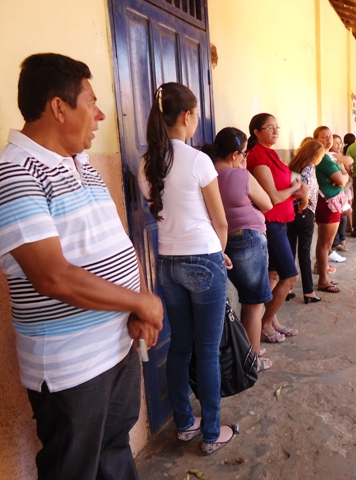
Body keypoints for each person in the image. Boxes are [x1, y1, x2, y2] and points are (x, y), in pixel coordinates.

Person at [0, 53, 164, 479]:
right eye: (90, 102)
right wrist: (141, 302)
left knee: (114, 455)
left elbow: (107, 250)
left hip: (114, 348)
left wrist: (133, 307)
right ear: (59, 107)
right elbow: (51, 275)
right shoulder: (10, 171)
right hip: (70, 368)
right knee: (72, 470)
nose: (99, 114)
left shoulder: (83, 165)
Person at [139, 82, 237, 454]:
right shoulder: (199, 160)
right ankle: (212, 432)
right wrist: (219, 252)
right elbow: (220, 221)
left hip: (169, 264)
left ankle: (184, 424)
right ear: (186, 116)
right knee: (207, 349)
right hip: (204, 259)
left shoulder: (146, 163)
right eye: (196, 115)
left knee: (181, 346)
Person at [211, 127, 274, 371]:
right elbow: (267, 204)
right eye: (245, 153)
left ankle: (250, 348)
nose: (245, 158)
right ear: (235, 155)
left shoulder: (206, 174)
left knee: (242, 301)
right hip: (248, 239)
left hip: (221, 244)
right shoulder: (241, 176)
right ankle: (252, 362)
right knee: (254, 303)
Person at [246, 113, 307, 342]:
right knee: (290, 276)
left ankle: (272, 320)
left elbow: (288, 182)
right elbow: (271, 196)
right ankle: (263, 324)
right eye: (269, 128)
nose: (275, 131)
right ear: (256, 132)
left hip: (282, 221)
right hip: (270, 223)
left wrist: (297, 189)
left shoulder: (271, 154)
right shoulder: (258, 157)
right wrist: (294, 190)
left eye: (276, 127)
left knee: (275, 274)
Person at [287, 139, 325, 304]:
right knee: (304, 253)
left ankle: (287, 288)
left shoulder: (294, 166)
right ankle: (308, 291)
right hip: (305, 212)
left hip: (291, 212)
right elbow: (306, 187)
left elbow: (294, 185)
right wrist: (305, 200)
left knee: (290, 251)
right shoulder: (310, 167)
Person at [313, 126, 350, 294]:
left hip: (331, 203)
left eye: (329, 136)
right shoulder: (324, 159)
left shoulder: (329, 157)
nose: (328, 139)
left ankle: (323, 275)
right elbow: (342, 180)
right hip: (327, 204)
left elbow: (344, 174)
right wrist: (342, 176)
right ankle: (322, 279)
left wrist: (342, 175)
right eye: (323, 137)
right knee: (324, 244)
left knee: (326, 244)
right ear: (316, 140)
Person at [330, 134, 354, 252]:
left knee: (343, 217)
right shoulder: (331, 156)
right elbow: (349, 162)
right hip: (334, 193)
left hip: (341, 191)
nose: (339, 145)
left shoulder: (338, 157)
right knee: (338, 218)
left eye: (340, 143)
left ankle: (342, 240)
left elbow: (346, 173)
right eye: (336, 143)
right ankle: (337, 242)